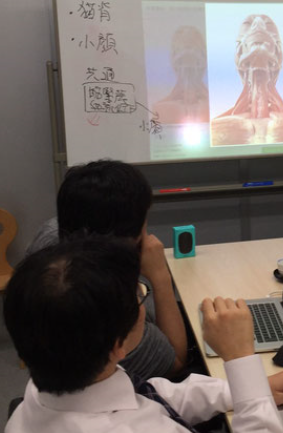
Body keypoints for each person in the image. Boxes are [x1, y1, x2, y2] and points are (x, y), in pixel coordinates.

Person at [4, 237, 283, 433]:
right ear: (117, 345)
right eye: (139, 296)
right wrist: (240, 358)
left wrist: (246, 389)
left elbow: (154, 397)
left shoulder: (45, 388)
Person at [26, 159, 188, 380]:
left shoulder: (51, 235)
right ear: (131, 238)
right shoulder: (112, 300)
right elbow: (176, 362)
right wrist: (160, 277)